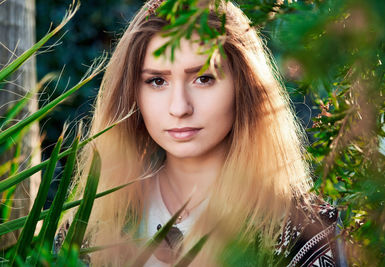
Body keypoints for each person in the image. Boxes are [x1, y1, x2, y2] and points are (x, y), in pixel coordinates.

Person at [56, 0, 346, 266]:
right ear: (133, 93)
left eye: (204, 78)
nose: (180, 107)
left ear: (244, 86)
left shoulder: (304, 230)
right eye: (157, 81)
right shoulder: (90, 227)